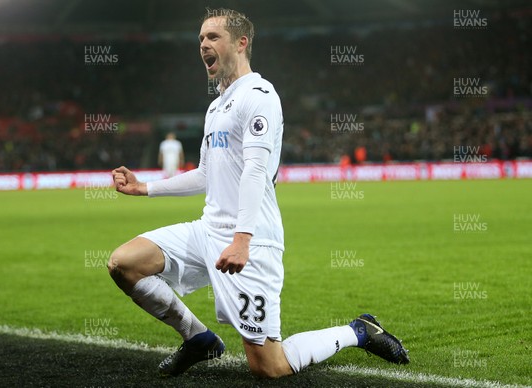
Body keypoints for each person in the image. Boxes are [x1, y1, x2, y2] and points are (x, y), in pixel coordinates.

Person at [109, 8, 409, 378]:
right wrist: (145, 188)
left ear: (241, 42)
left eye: (213, 37)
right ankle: (199, 339)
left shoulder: (260, 95)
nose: (203, 44)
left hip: (253, 242)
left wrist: (242, 239)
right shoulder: (216, 106)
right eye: (200, 38)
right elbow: (205, 174)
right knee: (124, 263)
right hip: (207, 232)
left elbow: (254, 170)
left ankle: (359, 331)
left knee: (270, 367)